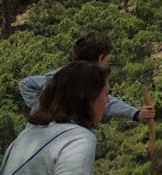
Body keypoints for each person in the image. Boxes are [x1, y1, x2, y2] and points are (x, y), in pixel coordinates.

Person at [18, 31, 154, 123]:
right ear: (101, 58)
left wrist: (39, 108)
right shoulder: (88, 80)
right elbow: (106, 102)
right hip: (70, 136)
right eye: (107, 59)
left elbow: (26, 84)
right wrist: (135, 113)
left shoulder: (61, 73)